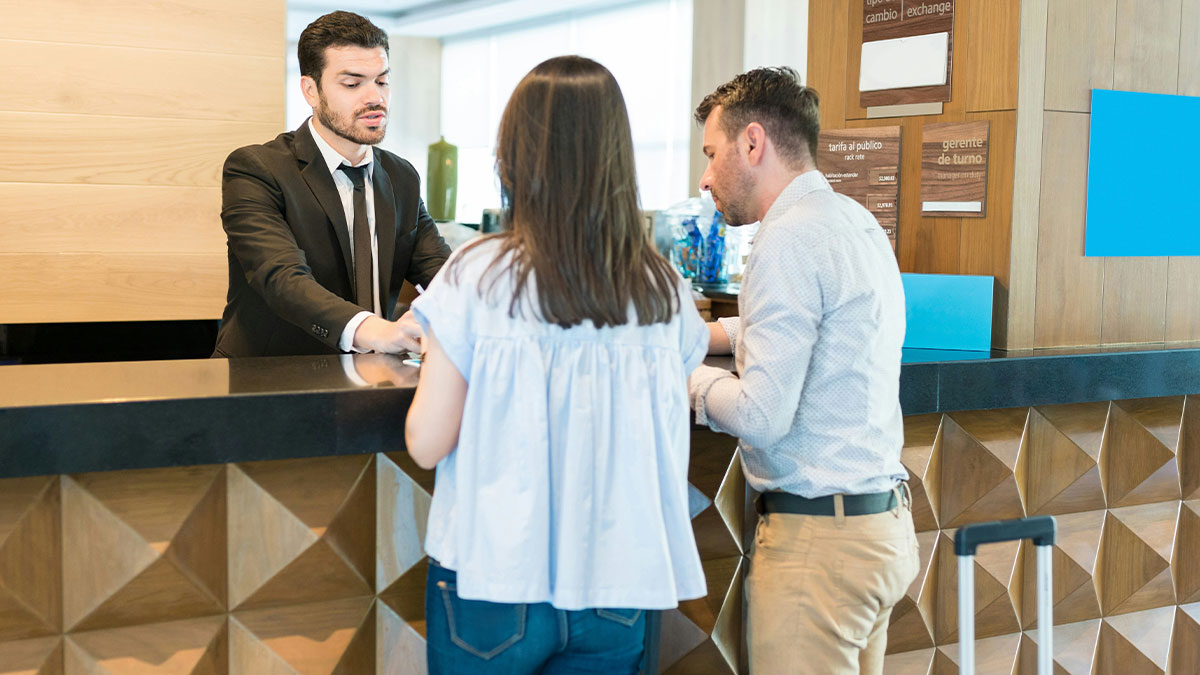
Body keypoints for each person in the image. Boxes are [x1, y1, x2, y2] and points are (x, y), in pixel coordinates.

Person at [404, 55, 709, 674]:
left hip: (494, 578)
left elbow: (427, 443)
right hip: (618, 583)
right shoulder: (665, 292)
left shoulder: (476, 276)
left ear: (514, 155)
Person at [687, 67, 919, 674]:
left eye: (712, 154)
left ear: (754, 143)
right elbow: (820, 324)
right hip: (879, 532)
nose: (705, 177)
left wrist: (685, 378)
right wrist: (713, 333)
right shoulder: (853, 220)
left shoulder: (787, 240)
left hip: (820, 551)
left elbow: (761, 416)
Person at [213, 11, 450, 357]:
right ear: (311, 90)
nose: (375, 98)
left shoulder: (402, 177)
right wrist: (379, 331)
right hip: (270, 380)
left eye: (382, 82)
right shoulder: (256, 169)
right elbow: (283, 280)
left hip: (372, 379)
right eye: (353, 84)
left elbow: (441, 271)